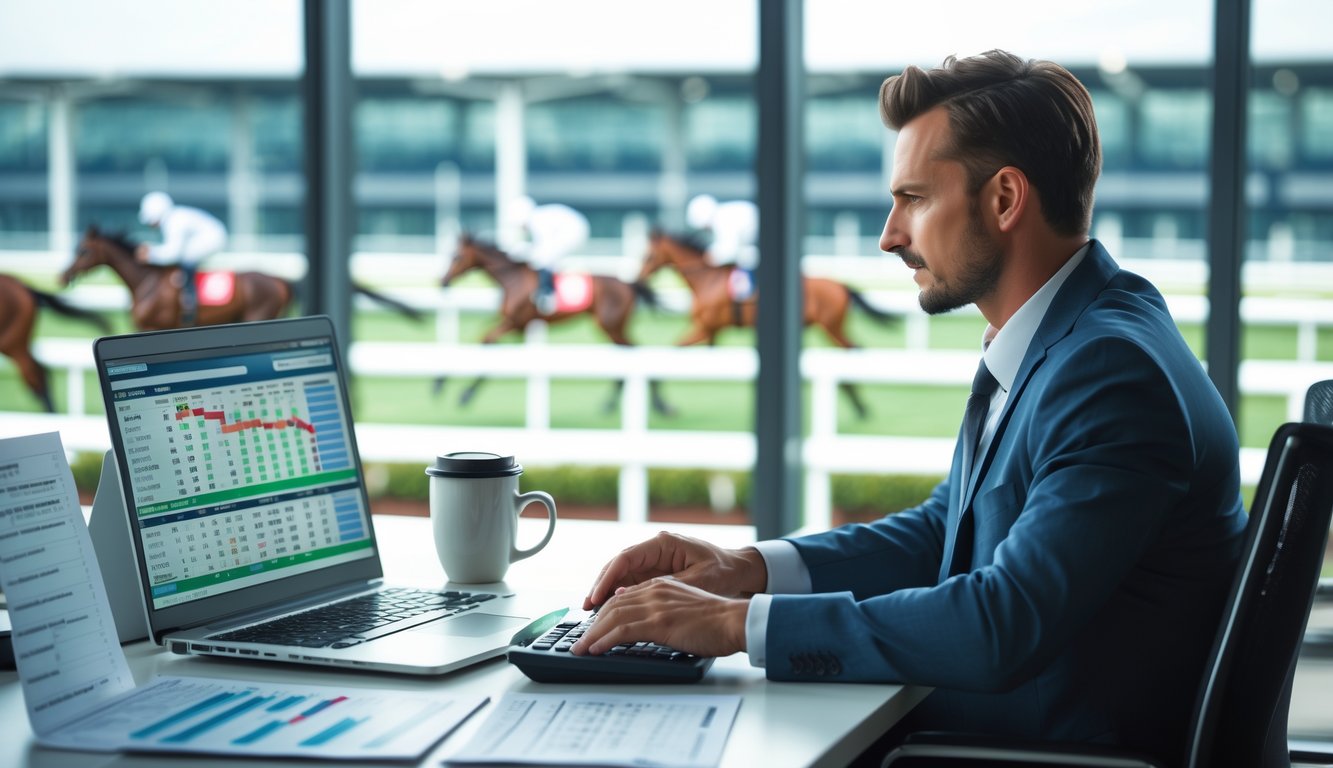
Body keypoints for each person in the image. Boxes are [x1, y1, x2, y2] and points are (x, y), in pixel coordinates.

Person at [572, 50, 1247, 764]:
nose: (889, 234)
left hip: (1025, 749)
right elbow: (943, 532)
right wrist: (748, 568)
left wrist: (740, 625)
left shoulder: (1108, 371)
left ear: (1004, 199)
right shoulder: (1069, 334)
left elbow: (998, 623)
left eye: (914, 199)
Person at [135, 192, 228, 327]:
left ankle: (189, 301)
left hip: (213, 238)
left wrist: (150, 254)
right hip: (211, 235)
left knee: (187, 259)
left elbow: (173, 253)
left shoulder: (175, 221)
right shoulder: (173, 218)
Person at [505, 195, 589, 315]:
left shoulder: (537, 221)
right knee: (543, 257)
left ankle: (547, 294)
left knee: (542, 258)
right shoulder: (539, 217)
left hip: (574, 231)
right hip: (574, 229)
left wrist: (523, 251)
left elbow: (540, 249)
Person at [686, 194, 759, 300]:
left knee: (744, 289)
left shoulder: (723, 220)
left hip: (757, 255)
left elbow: (730, 250)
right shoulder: (725, 213)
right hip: (754, 249)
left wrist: (709, 257)